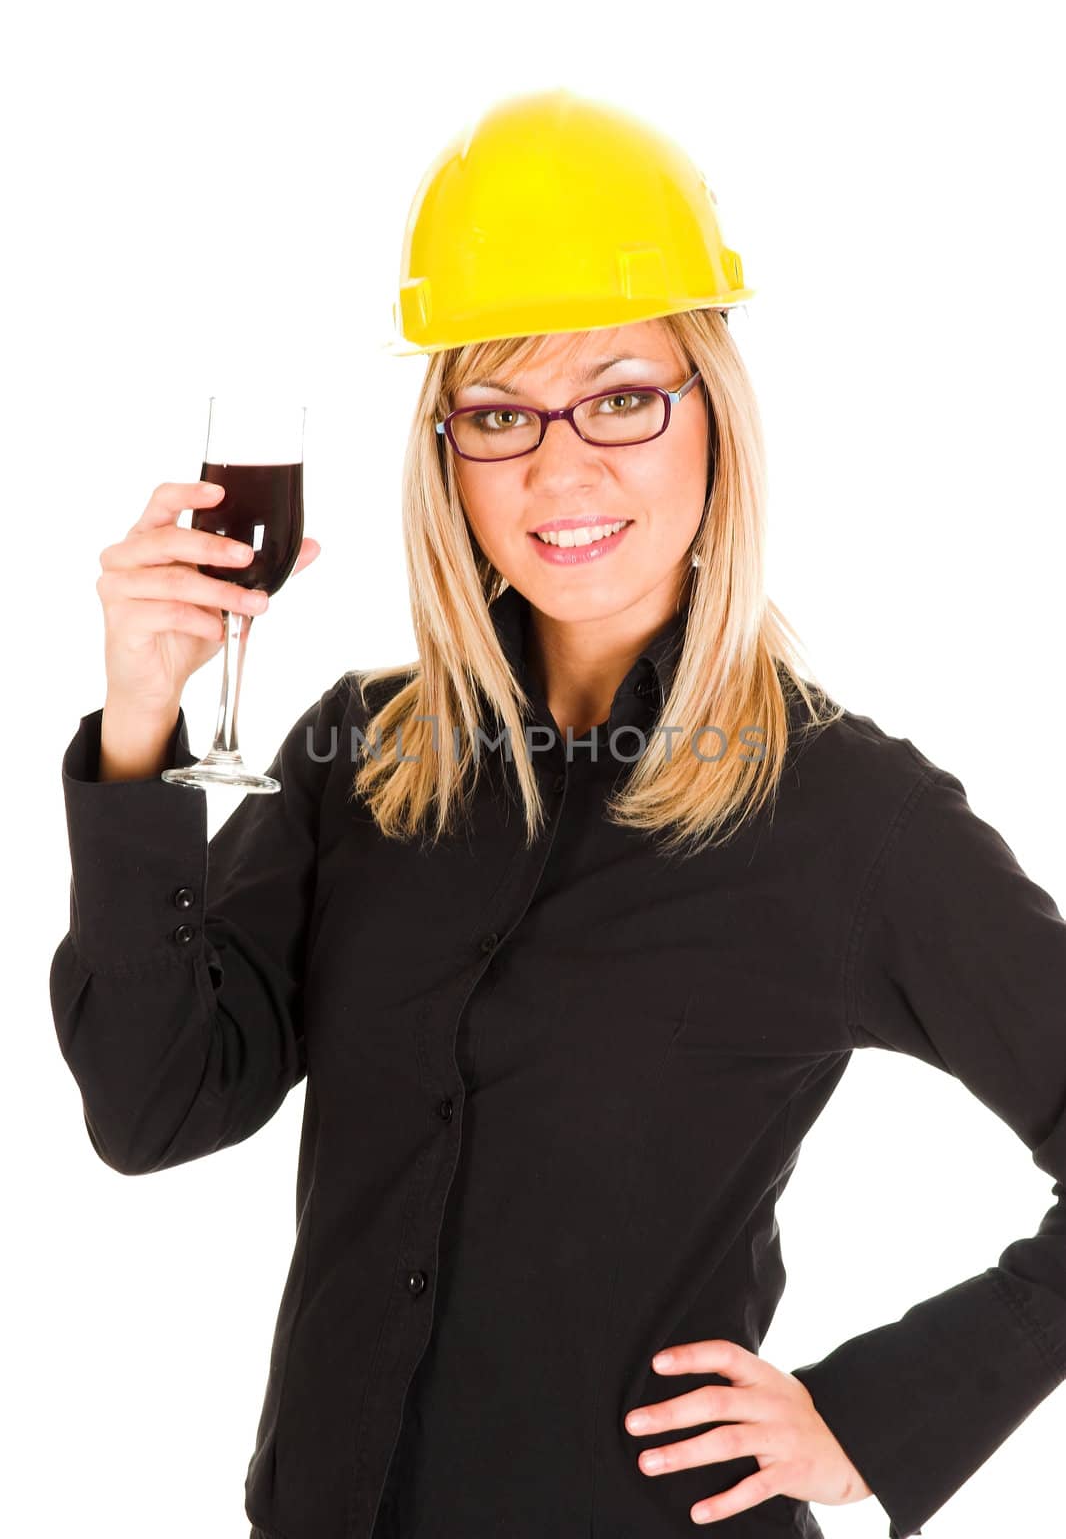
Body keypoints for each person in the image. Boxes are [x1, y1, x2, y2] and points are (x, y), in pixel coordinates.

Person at [49, 87, 1066, 1539]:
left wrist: (878, 1416)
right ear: (444, 454)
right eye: (498, 411)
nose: (559, 464)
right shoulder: (365, 754)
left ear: (714, 421)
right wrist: (142, 727)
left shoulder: (844, 813)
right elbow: (154, 1109)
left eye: (623, 396)